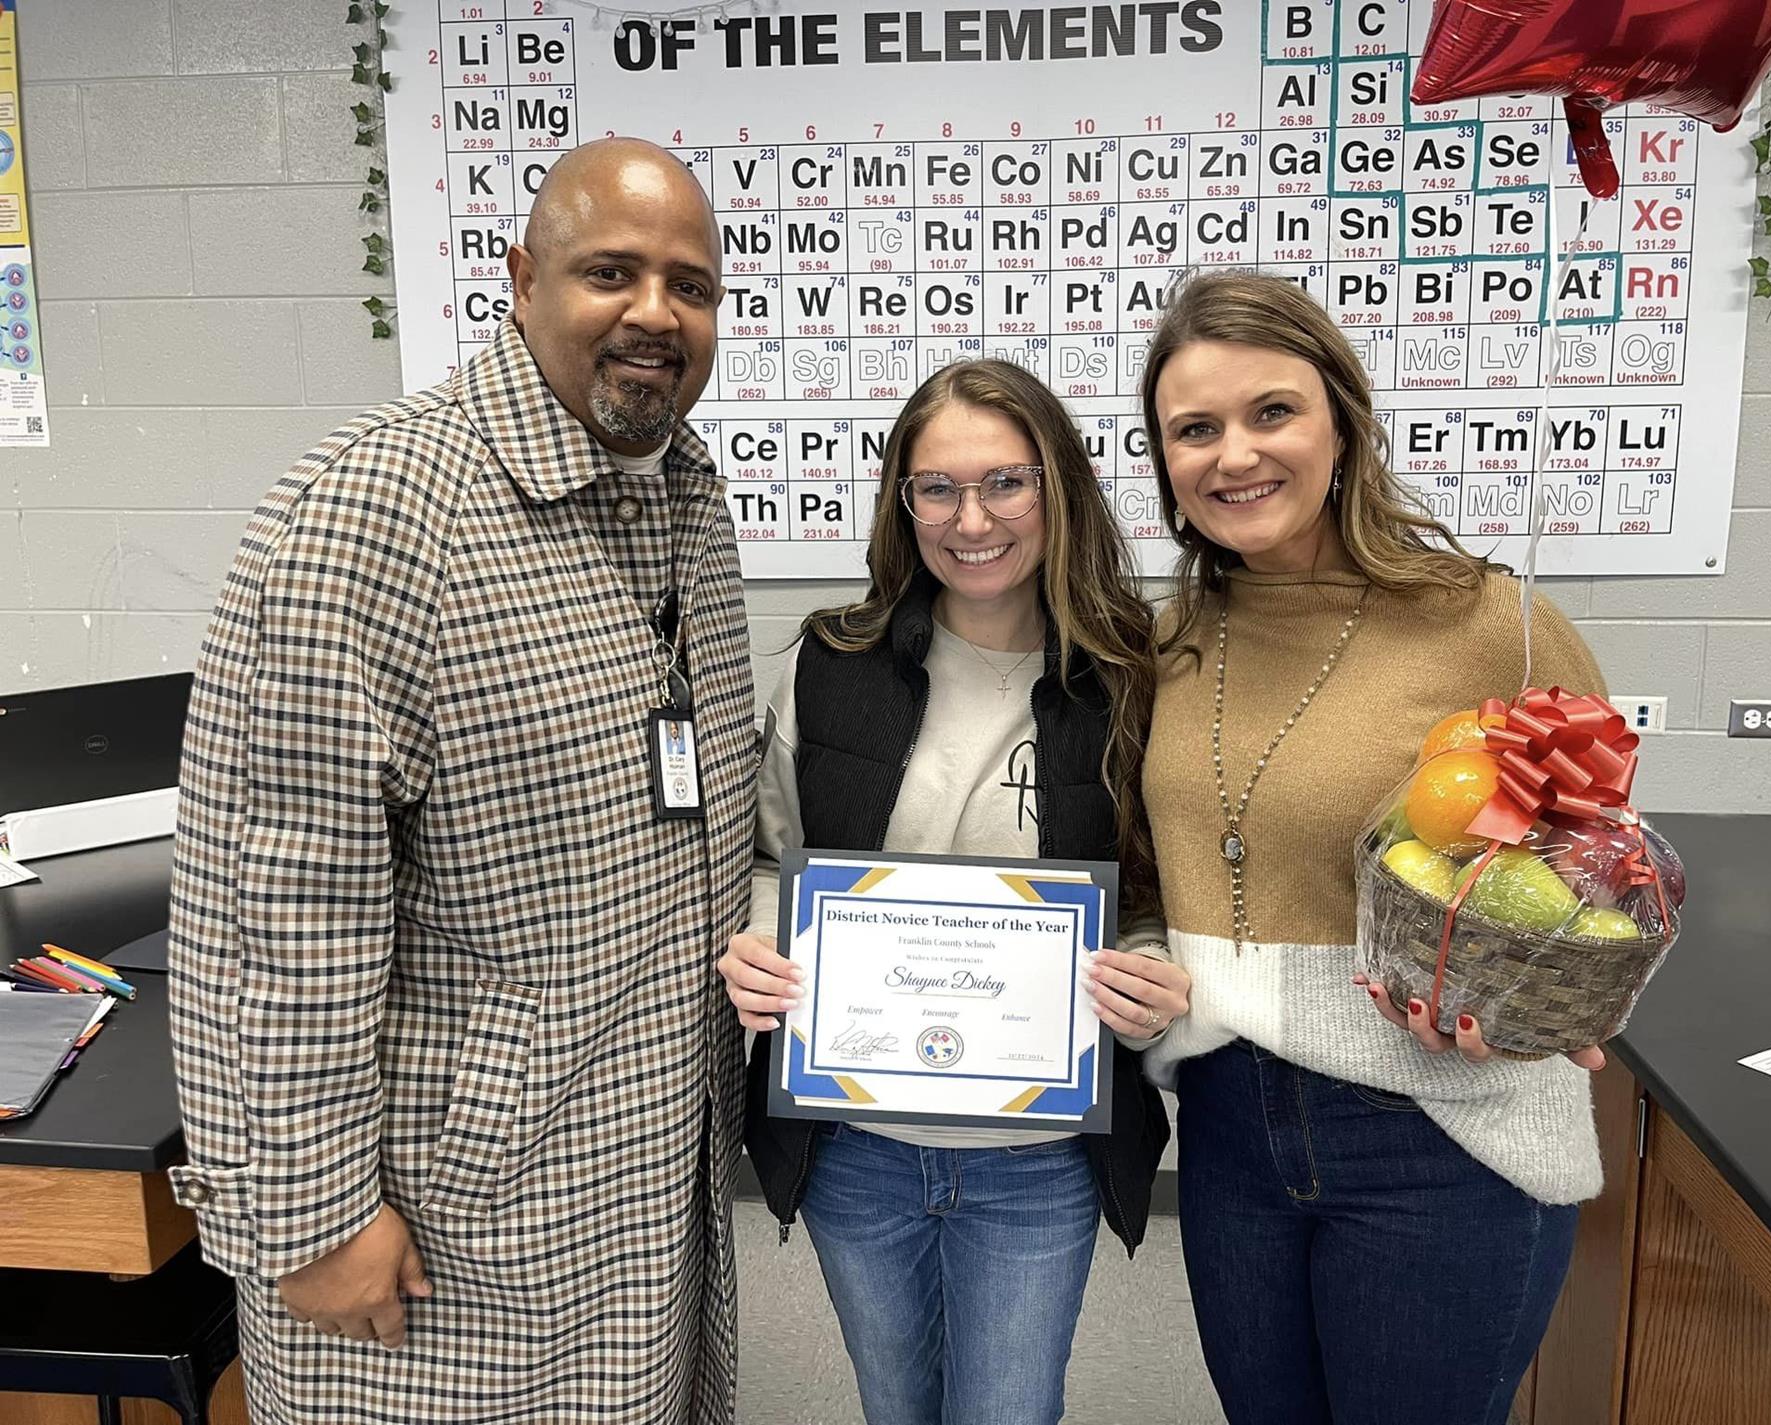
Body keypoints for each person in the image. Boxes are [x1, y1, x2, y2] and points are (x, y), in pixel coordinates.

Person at [167, 139, 757, 1423]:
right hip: (443, 1227)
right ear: (521, 279)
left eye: (692, 286)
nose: (656, 314)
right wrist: (311, 1215)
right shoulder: (368, 517)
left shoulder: (684, 501)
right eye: (612, 271)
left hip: (642, 1159)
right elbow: (262, 918)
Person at [1137, 270, 1609, 1425]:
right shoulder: (1168, 638)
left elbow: (1604, 870)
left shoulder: (1492, 620)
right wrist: (1144, 951)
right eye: (1193, 430)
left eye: (1271, 412)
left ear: (1341, 421)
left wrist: (1533, 996)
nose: (1232, 454)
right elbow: (1155, 861)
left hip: (1441, 1125)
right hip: (1227, 1124)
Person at [718, 359, 1188, 1425]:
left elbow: (1162, 894)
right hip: (859, 1151)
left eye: (1005, 483)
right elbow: (765, 859)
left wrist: (1153, 973)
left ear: (1058, 486)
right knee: (896, 1408)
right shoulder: (831, 664)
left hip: (1038, 1159)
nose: (969, 518)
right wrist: (755, 948)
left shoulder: (1129, 673)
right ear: (902, 503)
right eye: (936, 488)